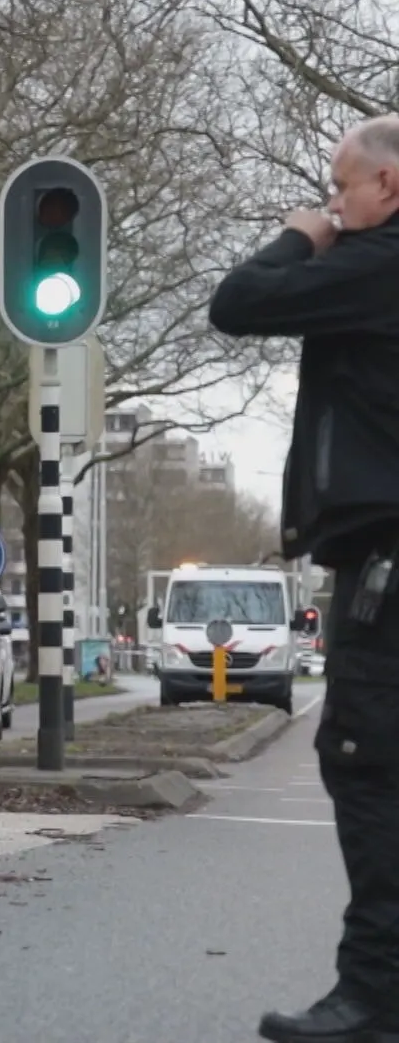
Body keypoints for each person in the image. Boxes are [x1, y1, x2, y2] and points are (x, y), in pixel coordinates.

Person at [207, 113, 399, 1043]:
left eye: (342, 186)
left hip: (388, 572)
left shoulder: (378, 265)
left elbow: (238, 302)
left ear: (388, 189)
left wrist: (300, 232)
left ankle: (374, 998)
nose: (336, 201)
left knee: (369, 768)